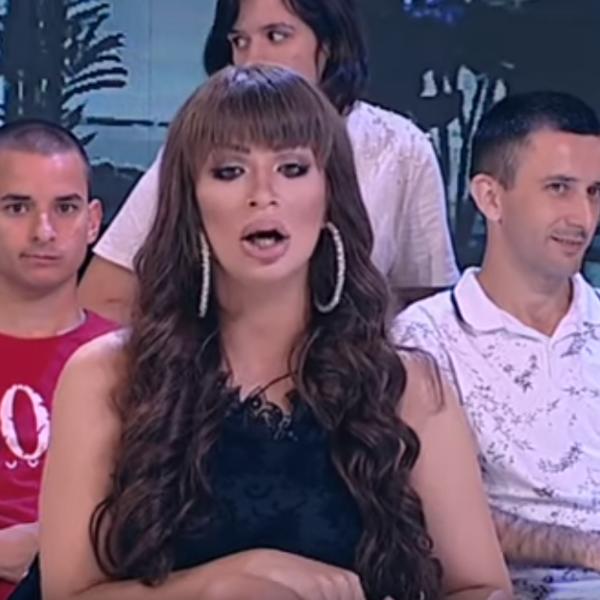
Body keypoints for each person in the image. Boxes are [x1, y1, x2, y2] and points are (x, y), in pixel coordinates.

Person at [29, 65, 512, 600]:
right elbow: (67, 595)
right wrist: (215, 585)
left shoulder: (408, 385)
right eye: (230, 171)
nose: (264, 194)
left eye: (292, 168)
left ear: (329, 194)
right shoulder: (107, 377)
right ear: (192, 204)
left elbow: (482, 588)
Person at [79, 0, 459, 324]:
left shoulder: (399, 147)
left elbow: (427, 311)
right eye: (239, 42)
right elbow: (103, 297)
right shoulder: (201, 144)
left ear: (328, 45)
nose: (252, 60)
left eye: (276, 36)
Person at [393, 91, 600, 599]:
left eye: (595, 192)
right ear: (490, 198)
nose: (583, 217)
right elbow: (422, 512)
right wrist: (586, 548)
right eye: (559, 188)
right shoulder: (426, 339)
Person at [0, 120, 117, 600]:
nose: (43, 231)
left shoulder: (137, 361)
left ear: (93, 222)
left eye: (65, 208)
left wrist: (55, 544)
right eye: (17, 207)